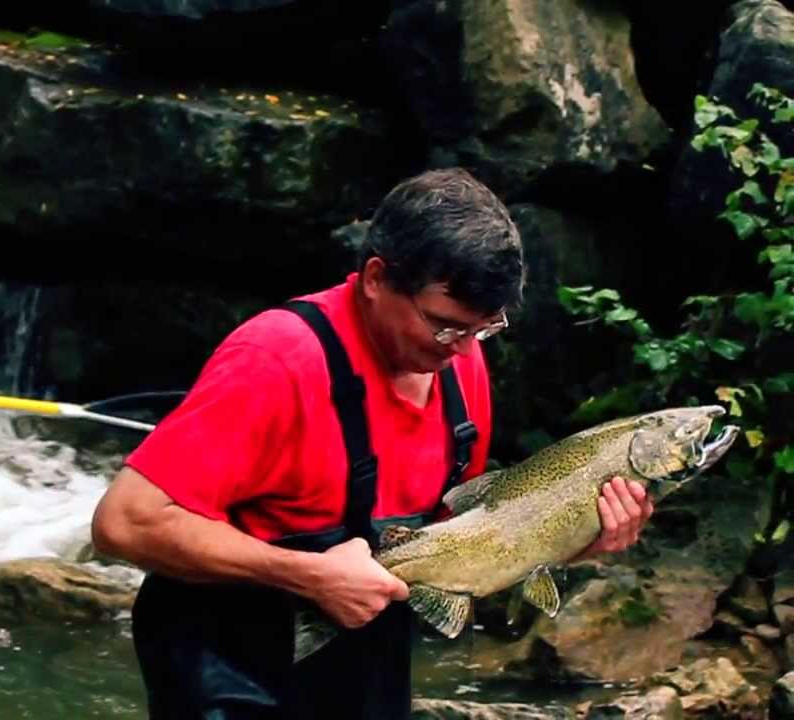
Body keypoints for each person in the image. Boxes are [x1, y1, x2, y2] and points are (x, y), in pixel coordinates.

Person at [90, 167, 653, 719]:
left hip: (364, 658)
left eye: (484, 328)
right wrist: (307, 574)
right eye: (445, 325)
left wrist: (572, 538)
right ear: (377, 278)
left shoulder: (459, 367)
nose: (462, 350)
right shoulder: (275, 362)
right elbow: (125, 522)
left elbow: (459, 543)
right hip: (226, 665)